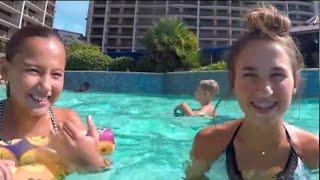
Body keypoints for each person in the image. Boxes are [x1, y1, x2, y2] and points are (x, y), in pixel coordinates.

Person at [185, 6, 319, 179]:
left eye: (277, 74)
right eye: (250, 75)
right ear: (234, 82)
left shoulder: (312, 152)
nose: (264, 90)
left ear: (295, 82)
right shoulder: (209, 145)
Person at [0, 25, 110, 179]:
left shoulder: (67, 121)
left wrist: (89, 158)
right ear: (5, 70)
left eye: (56, 74)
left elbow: (103, 173)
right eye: (33, 70)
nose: (46, 86)